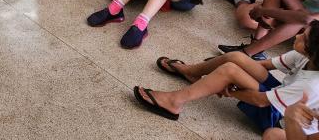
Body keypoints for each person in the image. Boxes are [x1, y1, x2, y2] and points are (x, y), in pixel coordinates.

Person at [133, 23, 319, 132]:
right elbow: (263, 66)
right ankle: (192, 71)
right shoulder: (305, 56)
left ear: (314, 52)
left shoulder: (311, 85)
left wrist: (231, 90)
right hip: (279, 96)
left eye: (304, 37)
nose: (297, 35)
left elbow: (260, 101)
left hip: (277, 119)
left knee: (229, 70)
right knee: (236, 58)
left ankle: (174, 102)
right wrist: (236, 74)